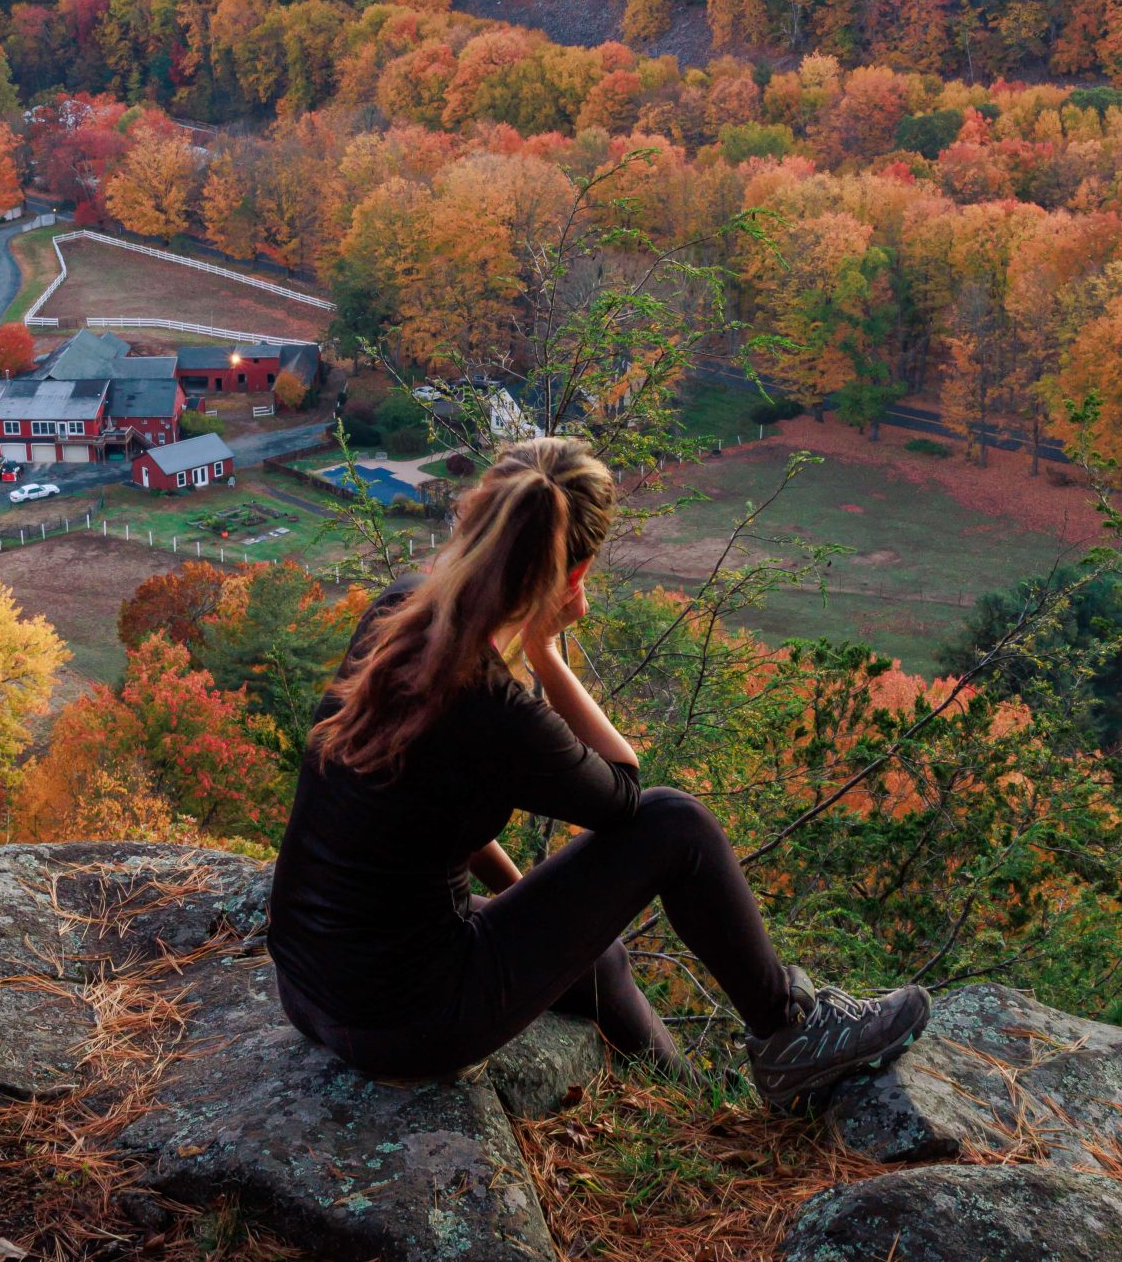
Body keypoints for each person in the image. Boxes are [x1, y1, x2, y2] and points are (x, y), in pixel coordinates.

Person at [267, 436, 930, 1112]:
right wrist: (546, 654)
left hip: (308, 985)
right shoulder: (494, 707)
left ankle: (693, 1108)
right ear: (573, 576)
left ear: (473, 523)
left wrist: (544, 914)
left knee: (598, 960)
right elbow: (627, 797)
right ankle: (793, 1034)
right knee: (680, 822)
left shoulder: (398, 616)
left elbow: (434, 813)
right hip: (405, 1022)